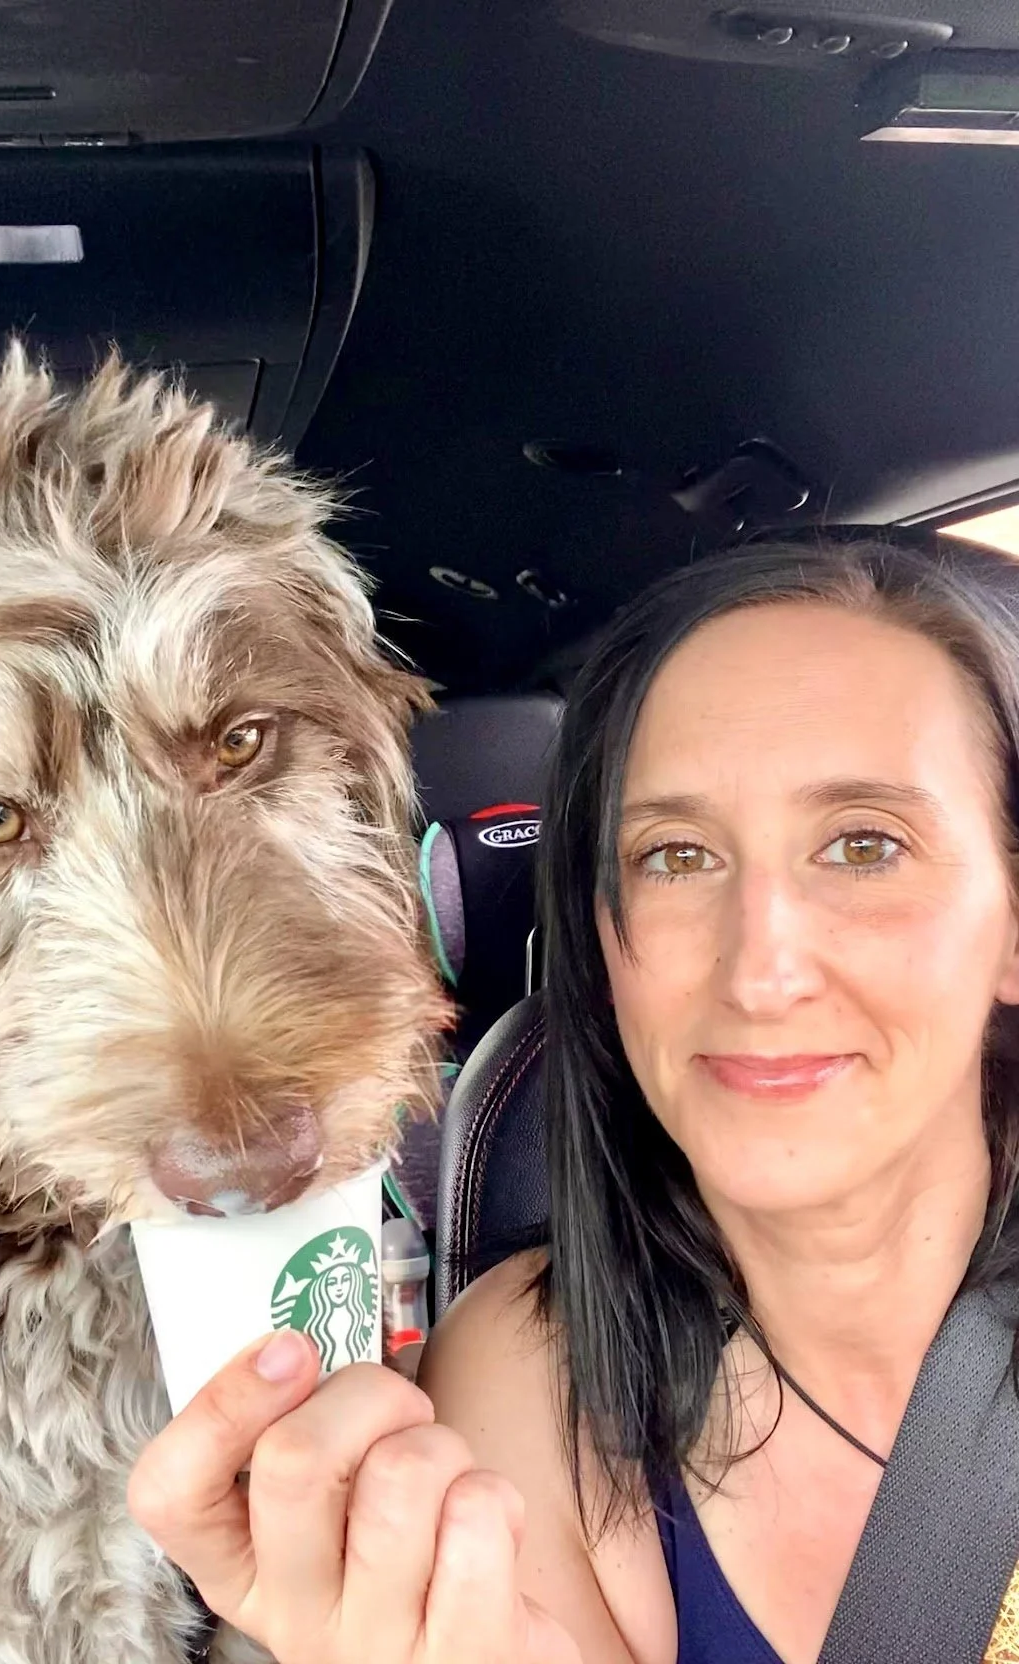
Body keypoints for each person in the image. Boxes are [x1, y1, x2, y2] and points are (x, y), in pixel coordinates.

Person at [127, 535, 1019, 1664]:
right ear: (600, 932)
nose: (761, 968)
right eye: (676, 856)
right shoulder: (535, 1370)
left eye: (862, 845)